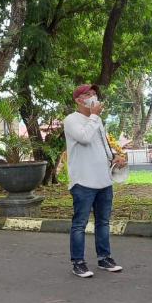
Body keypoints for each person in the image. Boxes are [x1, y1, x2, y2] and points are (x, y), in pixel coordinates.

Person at [63, 84, 126, 278]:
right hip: (83, 182)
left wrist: (115, 156)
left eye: (94, 94)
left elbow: (102, 144)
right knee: (79, 224)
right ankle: (78, 262)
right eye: (88, 94)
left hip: (103, 181)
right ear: (79, 100)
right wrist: (94, 117)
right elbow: (84, 137)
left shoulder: (97, 121)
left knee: (103, 222)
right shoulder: (71, 120)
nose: (93, 97)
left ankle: (104, 258)